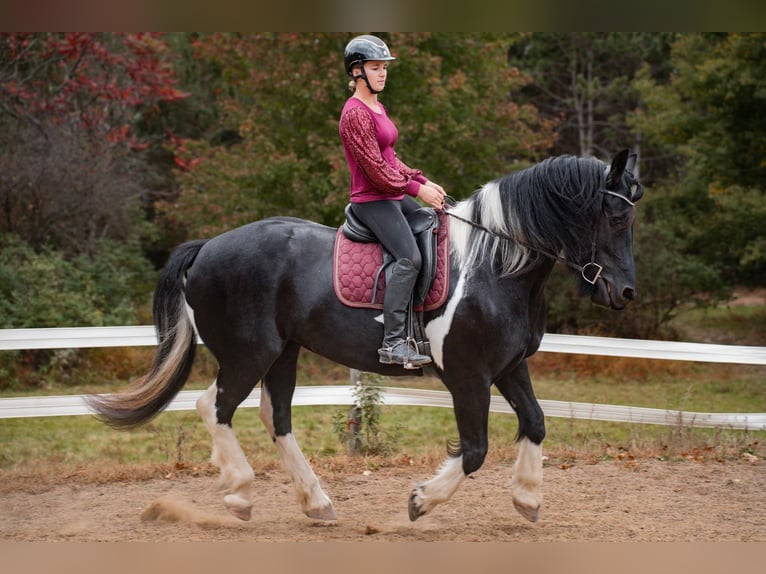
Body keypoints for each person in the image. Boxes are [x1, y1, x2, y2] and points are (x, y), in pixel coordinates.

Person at [339, 34, 446, 368]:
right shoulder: (355, 114)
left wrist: (423, 180)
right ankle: (394, 343)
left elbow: (390, 158)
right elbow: (376, 172)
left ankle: (424, 325)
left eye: (384, 67)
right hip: (371, 200)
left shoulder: (377, 106)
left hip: (392, 195)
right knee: (409, 258)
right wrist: (417, 190)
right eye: (375, 67)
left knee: (434, 225)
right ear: (357, 71)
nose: (382, 73)